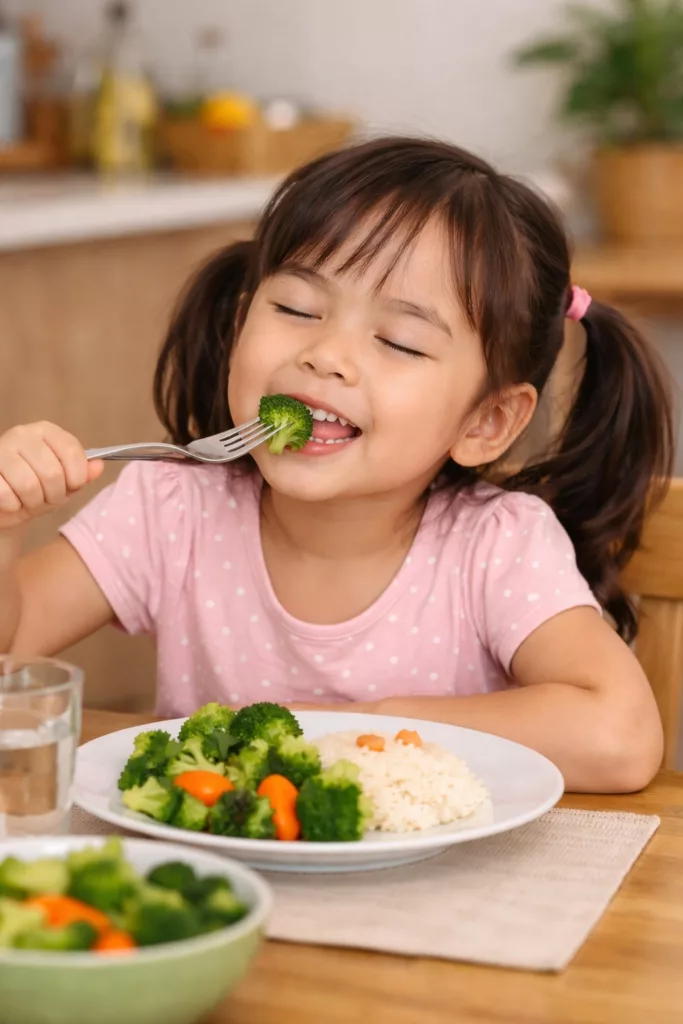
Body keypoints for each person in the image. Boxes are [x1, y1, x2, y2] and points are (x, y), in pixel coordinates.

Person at [0, 138, 673, 793]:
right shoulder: (169, 508)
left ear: (485, 421)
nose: (327, 354)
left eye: (399, 342)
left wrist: (351, 731)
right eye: (295, 308)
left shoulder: (495, 546)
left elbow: (619, 737)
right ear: (240, 324)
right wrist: (4, 525)